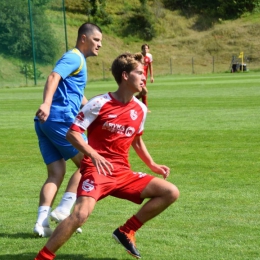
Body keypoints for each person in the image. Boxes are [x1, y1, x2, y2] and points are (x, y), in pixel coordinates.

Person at [34, 52, 179, 260]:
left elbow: (137, 140)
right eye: (139, 72)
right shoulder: (99, 103)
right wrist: (93, 155)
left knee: (170, 192)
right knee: (80, 215)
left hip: (122, 173)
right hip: (97, 171)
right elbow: (72, 133)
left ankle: (126, 230)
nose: (144, 77)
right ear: (125, 76)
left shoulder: (140, 109)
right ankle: (43, 257)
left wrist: (153, 164)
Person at [33, 22, 102, 237]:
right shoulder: (74, 57)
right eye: (96, 40)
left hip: (45, 122)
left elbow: (76, 94)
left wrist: (97, 112)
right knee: (89, 163)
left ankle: (42, 223)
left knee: (56, 173)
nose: (99, 45)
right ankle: (64, 209)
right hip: (60, 118)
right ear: (83, 38)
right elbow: (53, 77)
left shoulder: (78, 60)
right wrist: (46, 102)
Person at [135, 43, 154, 112]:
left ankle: (134, 99)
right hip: (140, 77)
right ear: (142, 49)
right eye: (144, 48)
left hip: (144, 77)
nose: (145, 50)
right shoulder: (139, 57)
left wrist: (151, 76)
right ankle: (145, 108)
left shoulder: (149, 57)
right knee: (144, 91)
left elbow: (150, 66)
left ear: (148, 49)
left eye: (146, 48)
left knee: (143, 92)